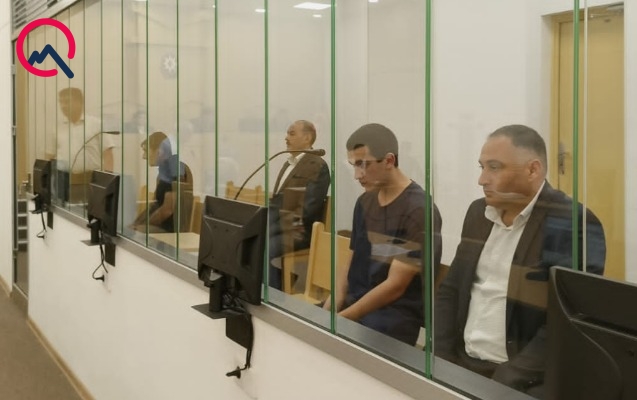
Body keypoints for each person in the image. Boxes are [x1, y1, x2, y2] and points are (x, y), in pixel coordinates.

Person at [434, 124, 606, 396]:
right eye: (482, 167)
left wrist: (504, 382)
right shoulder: (478, 213)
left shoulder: (573, 224)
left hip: (521, 380)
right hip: (461, 363)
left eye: (494, 167)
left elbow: (567, 322)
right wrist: (440, 358)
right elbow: (452, 289)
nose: (482, 180)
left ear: (533, 170)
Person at [324, 123, 442, 346]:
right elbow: (351, 261)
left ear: (389, 160)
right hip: (355, 304)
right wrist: (329, 309)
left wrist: (341, 321)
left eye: (363, 165)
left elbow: (395, 287)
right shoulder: (365, 201)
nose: (357, 175)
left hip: (390, 316)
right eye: (354, 165)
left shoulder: (418, 210)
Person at [269, 120, 331, 290]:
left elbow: (307, 210)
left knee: (267, 247)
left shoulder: (316, 165)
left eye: (291, 133)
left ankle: (273, 298)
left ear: (307, 138)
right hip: (280, 227)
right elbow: (277, 201)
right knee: (252, 239)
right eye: (287, 133)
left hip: (298, 231)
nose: (286, 138)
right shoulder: (288, 163)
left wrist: (273, 227)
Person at [49, 87, 114, 203]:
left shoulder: (96, 124)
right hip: (63, 183)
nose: (63, 106)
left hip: (90, 182)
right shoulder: (58, 128)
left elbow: (108, 154)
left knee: (92, 212)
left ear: (79, 102)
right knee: (63, 214)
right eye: (61, 102)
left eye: (67, 101)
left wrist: (106, 184)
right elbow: (50, 156)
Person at [132, 131, 193, 233]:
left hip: (172, 232)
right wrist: (135, 224)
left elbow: (167, 210)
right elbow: (155, 205)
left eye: (146, 151)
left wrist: (142, 227)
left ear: (160, 151)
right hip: (160, 227)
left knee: (134, 235)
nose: (144, 156)